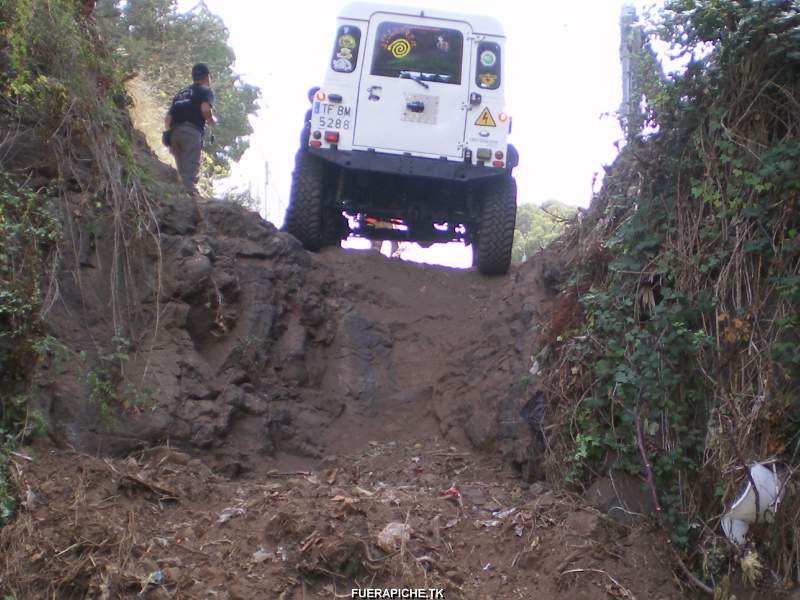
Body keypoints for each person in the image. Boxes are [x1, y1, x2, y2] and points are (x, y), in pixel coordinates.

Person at [163, 63, 216, 195]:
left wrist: (169, 137)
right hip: (191, 132)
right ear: (206, 76)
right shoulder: (206, 90)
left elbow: (167, 119)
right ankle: (192, 200)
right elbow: (205, 108)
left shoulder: (181, 93)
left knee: (182, 173)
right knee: (190, 171)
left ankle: (181, 197)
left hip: (174, 134)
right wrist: (210, 120)